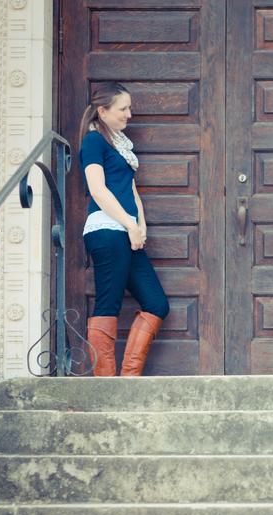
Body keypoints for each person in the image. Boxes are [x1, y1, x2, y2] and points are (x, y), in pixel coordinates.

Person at [78, 82, 169, 377]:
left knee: (156, 304)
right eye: (123, 108)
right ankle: (106, 386)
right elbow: (97, 190)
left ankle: (129, 378)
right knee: (108, 304)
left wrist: (141, 224)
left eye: (129, 108)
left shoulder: (120, 144)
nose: (129, 114)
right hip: (107, 231)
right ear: (102, 111)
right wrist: (130, 224)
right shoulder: (93, 141)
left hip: (127, 232)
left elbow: (131, 189)